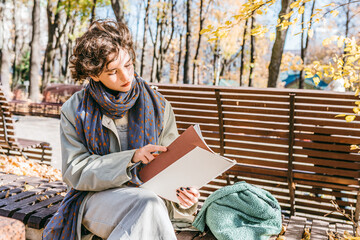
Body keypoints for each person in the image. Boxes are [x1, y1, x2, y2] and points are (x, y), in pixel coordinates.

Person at [43, 19, 200, 240]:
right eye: (113, 71)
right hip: (96, 199)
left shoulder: (159, 106)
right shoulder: (76, 109)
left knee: (149, 204)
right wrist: (131, 158)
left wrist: (184, 189)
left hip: (151, 197)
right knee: (147, 205)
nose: (126, 77)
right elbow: (74, 172)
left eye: (128, 65)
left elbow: (172, 164)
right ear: (94, 75)